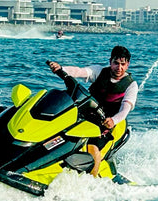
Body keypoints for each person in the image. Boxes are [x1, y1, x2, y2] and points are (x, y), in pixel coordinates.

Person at [47, 45, 137, 177]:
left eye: (123, 64)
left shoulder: (131, 85)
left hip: (106, 121)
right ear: (110, 61)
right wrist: (62, 69)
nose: (119, 68)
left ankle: (91, 181)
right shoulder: (99, 71)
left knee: (92, 146)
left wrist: (113, 120)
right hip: (87, 114)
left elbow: (125, 109)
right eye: (116, 63)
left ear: (128, 64)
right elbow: (79, 72)